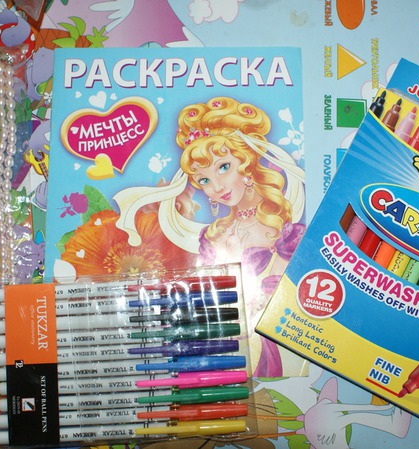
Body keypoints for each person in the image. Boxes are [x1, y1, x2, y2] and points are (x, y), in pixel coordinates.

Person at [113, 96, 306, 376]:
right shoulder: (213, 236)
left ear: (246, 163)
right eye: (204, 180)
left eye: (223, 167)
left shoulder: (283, 231)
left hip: (278, 348)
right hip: (220, 350)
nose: (216, 186)